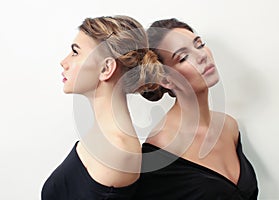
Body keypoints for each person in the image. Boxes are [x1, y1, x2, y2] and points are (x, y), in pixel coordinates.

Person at [133, 18, 259, 199]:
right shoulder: (157, 156)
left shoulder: (229, 127)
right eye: (183, 57)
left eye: (199, 45)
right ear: (166, 80)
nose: (202, 56)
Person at [41, 15, 164, 200]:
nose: (63, 62)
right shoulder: (102, 136)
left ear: (106, 68)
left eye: (75, 52)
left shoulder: (116, 152)